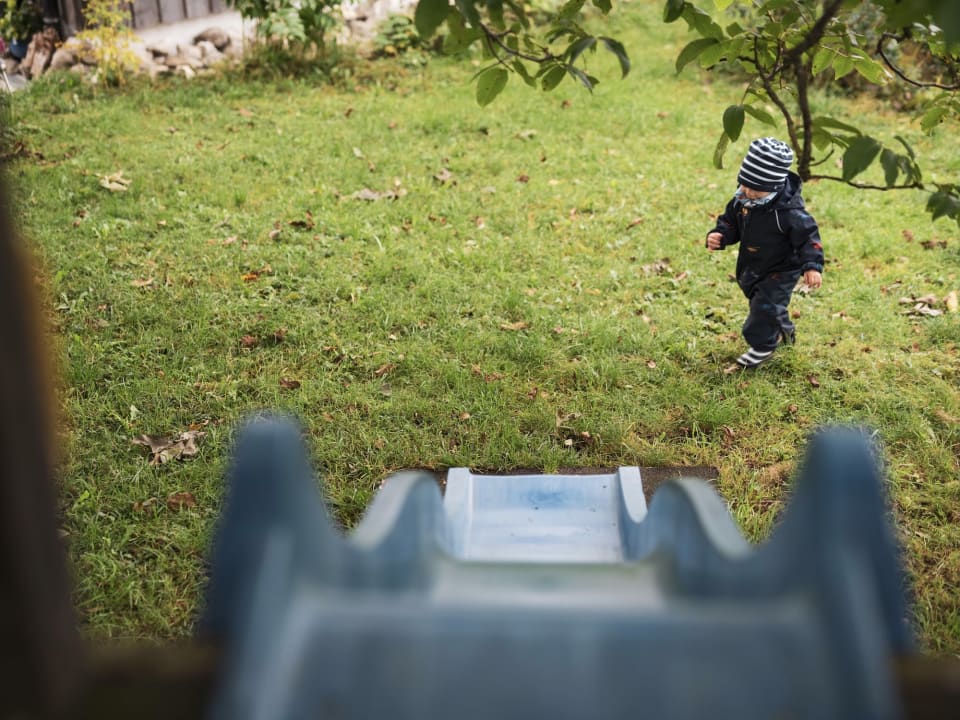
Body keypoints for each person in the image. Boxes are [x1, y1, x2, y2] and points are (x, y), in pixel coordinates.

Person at [705, 137, 824, 368]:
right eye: (744, 184)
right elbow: (731, 222)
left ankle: (763, 346)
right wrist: (721, 235)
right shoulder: (742, 199)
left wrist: (812, 265)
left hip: (781, 270)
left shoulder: (789, 214)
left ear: (774, 187)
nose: (748, 192)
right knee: (766, 305)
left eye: (756, 189)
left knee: (763, 309)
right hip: (753, 265)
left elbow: (809, 239)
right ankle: (785, 333)